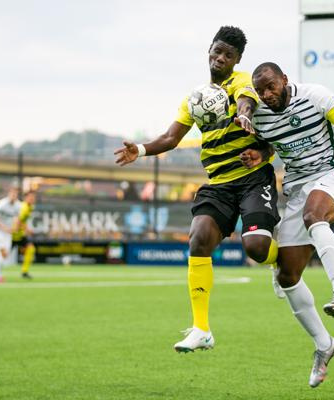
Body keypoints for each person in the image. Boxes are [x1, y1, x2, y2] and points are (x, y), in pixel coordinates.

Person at [114, 27, 279, 353]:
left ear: (237, 60)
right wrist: (142, 150)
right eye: (216, 52)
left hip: (252, 178)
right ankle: (201, 329)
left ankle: (280, 260)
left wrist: (244, 115)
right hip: (218, 183)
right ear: (209, 50)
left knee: (257, 248)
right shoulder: (196, 98)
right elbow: (171, 138)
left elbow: (246, 100)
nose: (220, 58)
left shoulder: (242, 82)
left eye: (227, 55)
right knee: (198, 238)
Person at [240, 62, 334, 387]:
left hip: (330, 176)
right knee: (287, 276)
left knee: (315, 215)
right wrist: (259, 154)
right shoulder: (260, 117)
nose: (267, 95)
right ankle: (325, 345)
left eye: (271, 86)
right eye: (262, 91)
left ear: (285, 80)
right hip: (296, 189)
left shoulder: (316, 96)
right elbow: (272, 143)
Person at [11, 190, 37, 279]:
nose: (32, 199)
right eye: (31, 197)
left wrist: (25, 230)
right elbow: (18, 220)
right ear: (26, 198)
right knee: (4, 253)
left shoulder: (30, 207)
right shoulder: (23, 207)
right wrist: (27, 230)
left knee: (31, 248)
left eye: (33, 197)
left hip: (20, 235)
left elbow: (23, 221)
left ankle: (24, 271)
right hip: (13, 235)